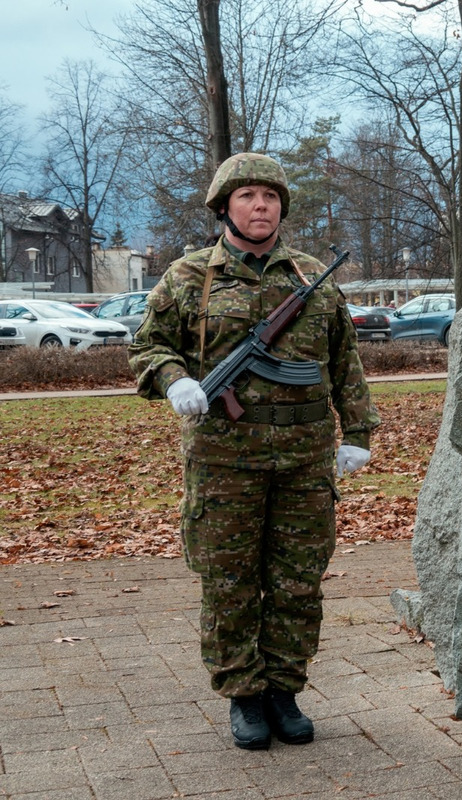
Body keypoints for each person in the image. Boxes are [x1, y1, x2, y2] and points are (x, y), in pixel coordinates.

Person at [128, 153, 381, 750]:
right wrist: (175, 381)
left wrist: (358, 434)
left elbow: (344, 359)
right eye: (247, 196)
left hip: (304, 459)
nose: (260, 206)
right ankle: (244, 694)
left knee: (298, 580)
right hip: (224, 460)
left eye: (270, 196)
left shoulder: (311, 274)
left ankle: (284, 691)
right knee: (230, 580)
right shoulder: (189, 276)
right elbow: (147, 347)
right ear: (224, 207)